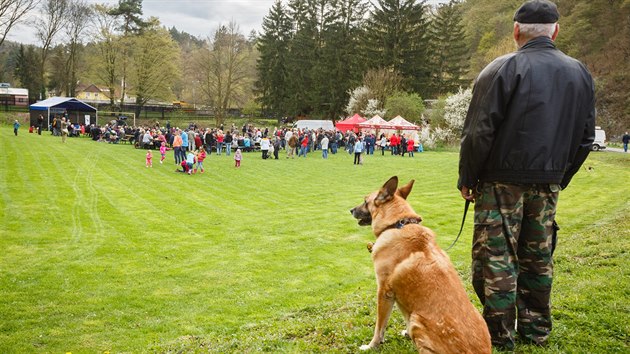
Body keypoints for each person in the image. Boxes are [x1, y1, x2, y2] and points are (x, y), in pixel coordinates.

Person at [457, 0, 595, 350]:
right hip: (547, 182)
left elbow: (478, 133)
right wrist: (560, 177)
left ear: (516, 31)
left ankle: (499, 337)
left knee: (496, 260)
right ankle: (536, 332)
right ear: (556, 31)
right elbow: (586, 138)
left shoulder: (501, 68)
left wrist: (468, 179)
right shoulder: (579, 73)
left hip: (501, 183)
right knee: (538, 259)